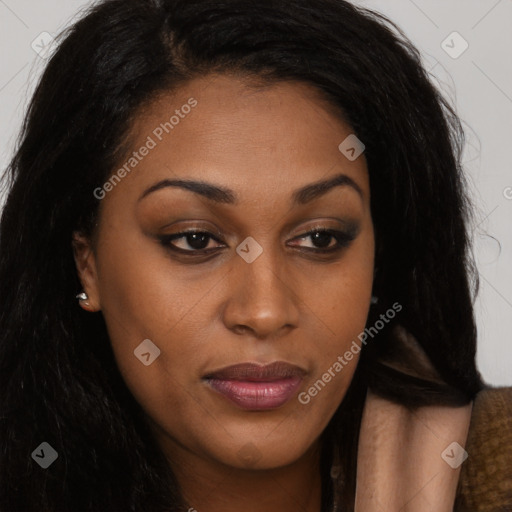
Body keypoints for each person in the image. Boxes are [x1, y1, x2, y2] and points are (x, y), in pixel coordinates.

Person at [0, 1, 510, 511]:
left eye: (320, 238)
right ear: (86, 264)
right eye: (195, 239)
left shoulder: (495, 470)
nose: (265, 312)